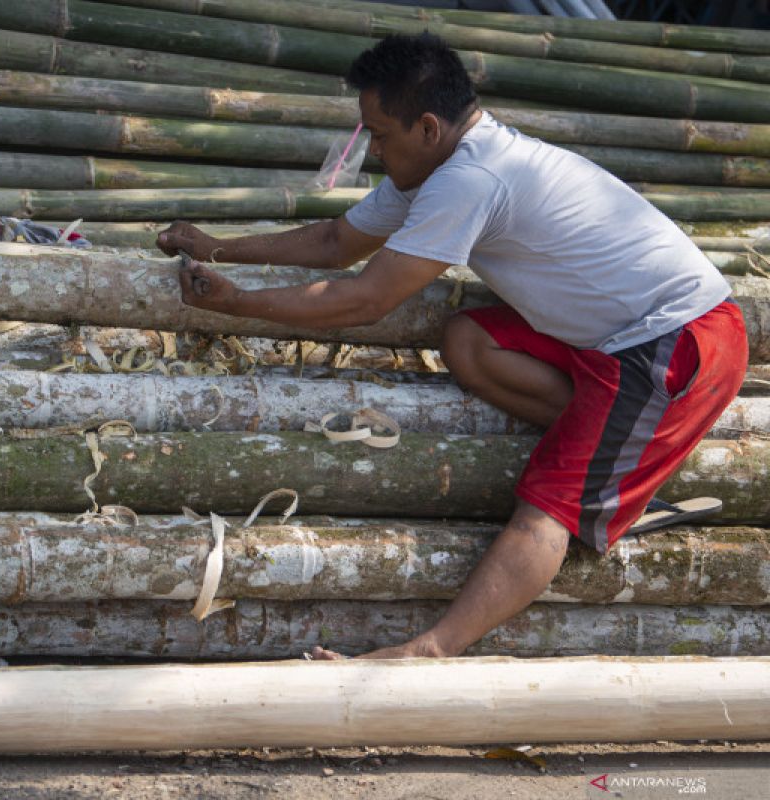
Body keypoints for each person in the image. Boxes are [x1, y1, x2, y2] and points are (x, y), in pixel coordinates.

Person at [157, 33, 747, 660]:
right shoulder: (440, 161)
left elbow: (365, 299)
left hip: (676, 342)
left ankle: (431, 650)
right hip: (614, 337)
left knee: (543, 511)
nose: (375, 150)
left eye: (380, 135)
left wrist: (237, 304)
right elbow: (336, 242)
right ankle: (624, 459)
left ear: (429, 127)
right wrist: (218, 247)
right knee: (468, 339)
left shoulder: (470, 179)